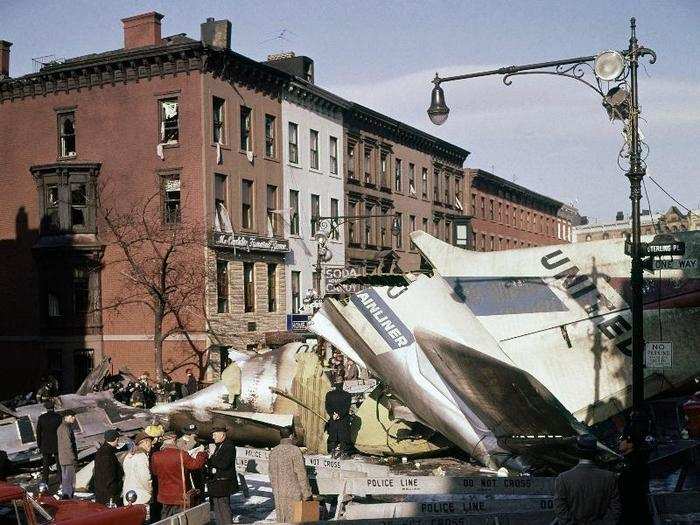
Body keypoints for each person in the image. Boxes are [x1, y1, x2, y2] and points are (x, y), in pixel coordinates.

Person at [553, 434, 621, 524]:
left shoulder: (563, 478)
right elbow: (615, 509)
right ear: (595, 453)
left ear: (577, 452)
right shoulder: (610, 478)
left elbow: (560, 509)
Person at [151, 431, 207, 518]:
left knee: (166, 520)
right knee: (181, 520)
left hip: (164, 496)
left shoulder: (155, 456)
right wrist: (201, 453)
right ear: (174, 439)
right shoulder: (181, 454)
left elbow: (155, 472)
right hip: (180, 496)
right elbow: (195, 465)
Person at [268, 427, 312, 523]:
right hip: (294, 491)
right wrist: (307, 494)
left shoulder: (274, 451)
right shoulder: (295, 450)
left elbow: (271, 473)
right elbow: (301, 474)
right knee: (296, 520)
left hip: (279, 492)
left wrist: (275, 489)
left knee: (282, 520)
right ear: (291, 435)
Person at [618, 431, 652, 525]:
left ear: (630, 445)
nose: (619, 443)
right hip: (638, 508)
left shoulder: (631, 463)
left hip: (633, 509)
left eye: (622, 440)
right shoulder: (636, 460)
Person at [206, 426, 238, 525]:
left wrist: (210, 460)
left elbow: (224, 464)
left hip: (224, 483)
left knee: (223, 507)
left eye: (215, 435)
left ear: (222, 434)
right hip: (217, 483)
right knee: (217, 507)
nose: (213, 437)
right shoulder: (219, 445)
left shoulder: (229, 446)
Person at [122, 432, 153, 518]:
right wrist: (149, 491)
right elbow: (145, 477)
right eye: (150, 443)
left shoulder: (128, 456)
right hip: (141, 497)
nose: (152, 445)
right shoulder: (142, 456)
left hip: (128, 496)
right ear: (146, 442)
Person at [36, 399, 62, 487]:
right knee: (59, 464)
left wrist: (39, 445)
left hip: (45, 444)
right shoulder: (58, 417)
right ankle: (62, 481)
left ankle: (45, 482)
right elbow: (62, 431)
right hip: (57, 443)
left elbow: (38, 433)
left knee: (45, 465)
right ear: (53, 407)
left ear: (46, 408)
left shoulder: (41, 418)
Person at [325, 377, 353, 457]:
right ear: (343, 384)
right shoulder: (347, 395)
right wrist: (339, 414)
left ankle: (333, 453)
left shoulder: (329, 394)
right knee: (344, 437)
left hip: (333, 419)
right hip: (343, 419)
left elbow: (327, 406)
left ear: (335, 384)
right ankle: (343, 454)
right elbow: (346, 408)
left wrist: (332, 415)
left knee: (333, 436)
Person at [94, 429, 123, 506]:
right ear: (116, 439)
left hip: (101, 491)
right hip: (108, 494)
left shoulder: (101, 451)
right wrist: (114, 491)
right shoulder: (107, 454)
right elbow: (109, 476)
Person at [56, 410, 78, 499]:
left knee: (66, 481)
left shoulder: (62, 427)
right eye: (72, 416)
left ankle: (66, 498)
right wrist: (73, 459)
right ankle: (68, 501)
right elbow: (68, 445)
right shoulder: (66, 428)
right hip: (68, 459)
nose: (74, 418)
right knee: (69, 483)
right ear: (66, 417)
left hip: (64, 458)